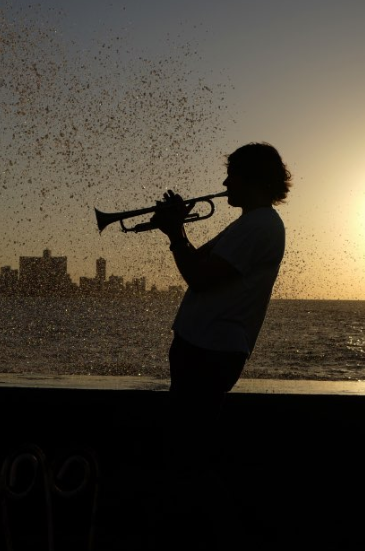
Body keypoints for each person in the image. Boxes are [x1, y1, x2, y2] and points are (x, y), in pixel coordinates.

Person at [145, 141, 291, 544]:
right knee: (187, 451)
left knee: (187, 456)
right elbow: (199, 260)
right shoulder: (249, 223)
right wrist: (176, 229)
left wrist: (175, 232)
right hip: (204, 347)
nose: (224, 183)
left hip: (210, 351)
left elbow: (200, 276)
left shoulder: (261, 224)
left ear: (253, 179)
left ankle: (218, 535)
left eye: (232, 175)